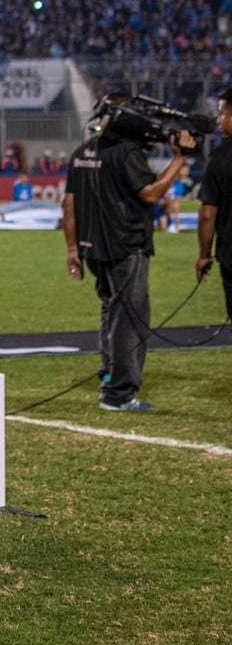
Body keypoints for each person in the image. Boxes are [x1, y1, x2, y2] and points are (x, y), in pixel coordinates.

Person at [63, 95, 196, 411]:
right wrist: (179, 159)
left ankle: (109, 376)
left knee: (110, 311)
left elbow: (68, 204)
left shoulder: (83, 152)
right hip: (125, 245)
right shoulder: (127, 152)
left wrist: (72, 249)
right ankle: (119, 393)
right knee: (130, 318)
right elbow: (149, 193)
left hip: (92, 247)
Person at [197, 87, 232, 321]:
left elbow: (208, 213)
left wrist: (204, 254)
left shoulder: (220, 157)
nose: (219, 121)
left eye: (222, 114)